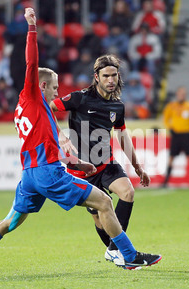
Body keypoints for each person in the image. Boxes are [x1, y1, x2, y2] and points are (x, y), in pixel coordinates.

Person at [0, 8, 161, 276]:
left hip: (30, 175)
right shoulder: (32, 97)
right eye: (53, 87)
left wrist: (78, 162)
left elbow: (46, 146)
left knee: (10, 222)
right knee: (105, 203)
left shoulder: (25, 110)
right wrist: (32, 28)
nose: (56, 92)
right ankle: (128, 256)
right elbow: (31, 64)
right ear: (40, 88)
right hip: (49, 174)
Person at [51, 54, 152, 266]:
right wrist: (60, 136)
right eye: (106, 76)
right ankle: (117, 252)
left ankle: (115, 250)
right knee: (100, 218)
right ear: (96, 77)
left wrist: (137, 167)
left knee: (128, 192)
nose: (111, 80)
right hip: (82, 170)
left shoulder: (117, 107)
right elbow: (47, 109)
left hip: (107, 163)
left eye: (114, 75)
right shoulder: (79, 98)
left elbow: (122, 137)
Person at [162, 86, 189, 188]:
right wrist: (170, 127)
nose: (182, 96)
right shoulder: (171, 106)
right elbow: (165, 119)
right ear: (177, 95)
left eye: (183, 94)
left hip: (186, 135)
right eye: (180, 94)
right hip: (176, 135)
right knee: (171, 157)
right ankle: (165, 182)